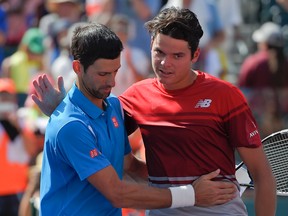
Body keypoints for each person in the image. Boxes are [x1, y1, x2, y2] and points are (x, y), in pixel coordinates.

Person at [32, 8, 276, 215]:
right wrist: (62, 110)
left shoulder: (226, 96)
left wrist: (187, 188)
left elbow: (262, 176)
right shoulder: (132, 98)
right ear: (150, 45)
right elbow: (87, 131)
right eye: (159, 52)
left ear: (196, 55)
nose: (165, 63)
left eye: (177, 55)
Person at [0, 78, 31, 216]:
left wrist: (17, 127)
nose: (5, 100)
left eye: (8, 96)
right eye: (2, 97)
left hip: (18, 190)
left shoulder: (23, 121)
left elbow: (31, 150)